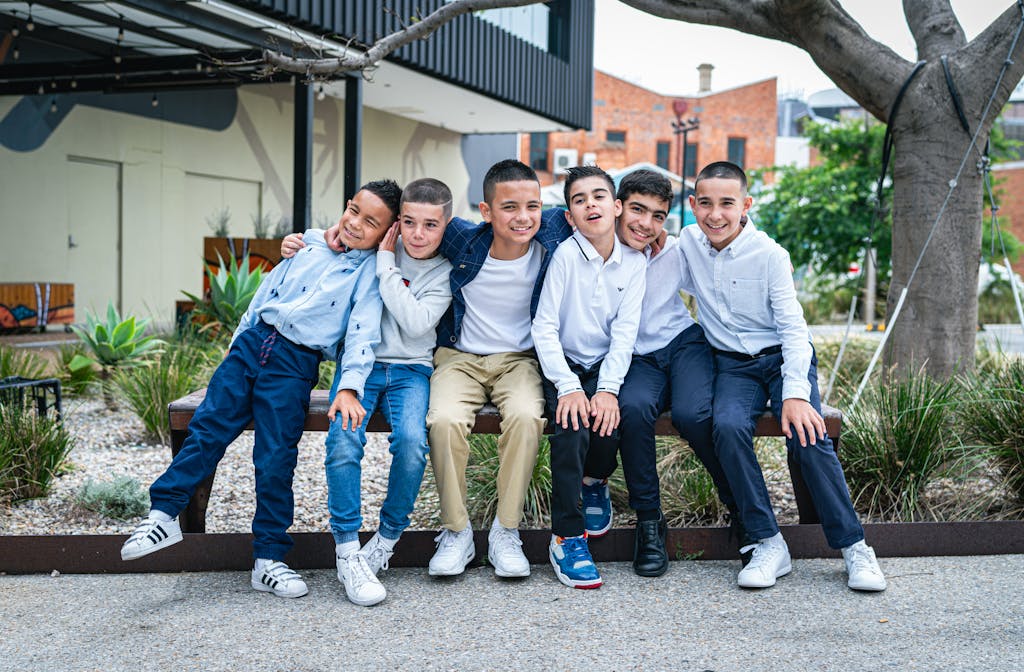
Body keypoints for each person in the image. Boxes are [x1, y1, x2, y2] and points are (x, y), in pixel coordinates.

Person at [120, 179, 401, 599]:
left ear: (387, 232)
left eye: (372, 222)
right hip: (253, 346)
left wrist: (350, 387)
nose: (356, 224)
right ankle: (163, 514)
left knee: (275, 456)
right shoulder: (308, 245)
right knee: (208, 427)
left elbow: (362, 335)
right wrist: (237, 345)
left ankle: (268, 559)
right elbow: (264, 295)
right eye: (353, 211)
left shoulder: (369, 276)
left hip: (295, 364)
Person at [678, 161, 886, 591]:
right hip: (733, 364)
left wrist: (794, 394)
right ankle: (767, 541)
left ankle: (855, 547)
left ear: (746, 205)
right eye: (706, 204)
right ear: (693, 205)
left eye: (727, 204)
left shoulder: (770, 254)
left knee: (807, 432)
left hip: (783, 358)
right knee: (728, 426)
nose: (715, 214)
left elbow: (794, 329)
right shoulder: (688, 244)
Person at [281, 179, 454, 607]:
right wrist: (300, 241)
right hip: (362, 366)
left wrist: (384, 264)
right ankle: (346, 549)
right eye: (408, 223)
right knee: (344, 439)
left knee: (413, 444)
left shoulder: (443, 271)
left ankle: (387, 538)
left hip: (412, 371)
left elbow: (416, 324)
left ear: (444, 226)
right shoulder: (379, 245)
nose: (416, 234)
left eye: (429, 225)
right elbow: (339, 235)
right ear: (397, 223)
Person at [581, 169, 741, 578]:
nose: (646, 224)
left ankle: (739, 501)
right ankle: (649, 522)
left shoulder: (675, 248)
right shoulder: (597, 251)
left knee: (692, 413)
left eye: (657, 216)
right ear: (617, 207)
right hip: (636, 357)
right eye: (637, 210)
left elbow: (717, 268)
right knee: (632, 410)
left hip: (683, 344)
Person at [423, 159, 570, 579]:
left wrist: (660, 241)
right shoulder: (461, 238)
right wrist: (316, 237)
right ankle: (457, 532)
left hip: (519, 360)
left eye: (532, 206)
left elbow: (599, 215)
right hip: (460, 358)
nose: (523, 217)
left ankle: (507, 531)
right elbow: (405, 213)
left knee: (527, 417)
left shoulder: (554, 232)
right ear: (486, 211)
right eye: (509, 207)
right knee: (444, 420)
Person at [532, 165, 646, 589]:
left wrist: (609, 390)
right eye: (578, 200)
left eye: (598, 196)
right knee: (571, 424)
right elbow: (543, 327)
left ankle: (595, 479)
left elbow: (625, 333)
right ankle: (567, 536)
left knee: (612, 417)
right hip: (562, 361)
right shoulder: (564, 256)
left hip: (605, 363)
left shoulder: (633, 264)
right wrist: (568, 386)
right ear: (569, 217)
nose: (589, 205)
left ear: (616, 207)